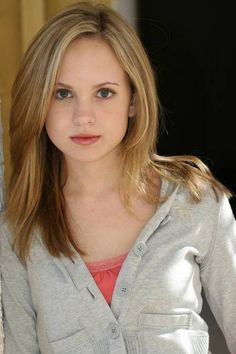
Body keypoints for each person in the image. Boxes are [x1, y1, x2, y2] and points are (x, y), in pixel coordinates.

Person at [0, 1, 235, 353]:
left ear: (133, 101)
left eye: (104, 92)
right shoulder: (20, 230)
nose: (83, 116)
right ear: (40, 102)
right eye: (63, 94)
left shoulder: (197, 203)